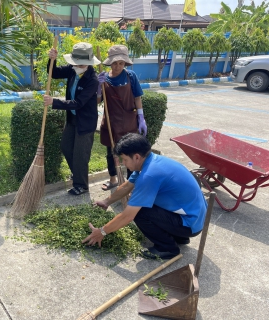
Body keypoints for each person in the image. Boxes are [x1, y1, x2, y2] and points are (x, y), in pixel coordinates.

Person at [82, 133, 208, 260]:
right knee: (144, 202)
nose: (124, 163)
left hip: (191, 223)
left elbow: (128, 216)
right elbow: (127, 186)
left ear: (136, 157)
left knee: (140, 211)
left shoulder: (149, 176)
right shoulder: (152, 161)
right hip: (196, 217)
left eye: (125, 160)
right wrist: (106, 201)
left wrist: (102, 232)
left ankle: (167, 248)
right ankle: (179, 237)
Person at [43, 42, 100, 196]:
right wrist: (52, 60)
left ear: (87, 64)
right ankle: (78, 174)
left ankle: (81, 185)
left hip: (85, 122)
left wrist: (53, 101)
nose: (75, 65)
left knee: (81, 155)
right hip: (72, 119)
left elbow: (79, 103)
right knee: (66, 147)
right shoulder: (72, 70)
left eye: (79, 63)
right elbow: (53, 73)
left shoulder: (92, 80)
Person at [97, 45, 147, 191]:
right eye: (114, 63)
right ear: (109, 63)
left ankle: (130, 184)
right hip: (110, 122)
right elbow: (98, 101)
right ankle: (113, 179)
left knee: (130, 154)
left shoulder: (130, 76)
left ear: (125, 63)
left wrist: (141, 117)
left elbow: (137, 97)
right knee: (111, 152)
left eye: (121, 63)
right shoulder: (103, 77)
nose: (117, 66)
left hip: (128, 122)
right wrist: (98, 88)